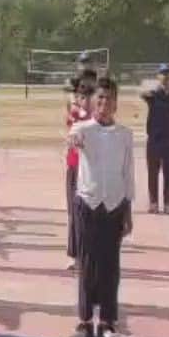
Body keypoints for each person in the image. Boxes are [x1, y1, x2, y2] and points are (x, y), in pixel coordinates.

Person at [66, 78, 133, 337]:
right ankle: (84, 320)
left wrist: (128, 210)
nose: (104, 103)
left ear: (116, 103)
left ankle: (107, 321)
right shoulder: (83, 129)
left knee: (110, 265)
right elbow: (74, 139)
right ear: (93, 102)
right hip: (88, 202)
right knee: (87, 263)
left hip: (114, 204)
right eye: (100, 98)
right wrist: (75, 139)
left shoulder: (124, 134)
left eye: (109, 98)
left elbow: (128, 172)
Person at [140, 64, 169, 214]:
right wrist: (155, 89)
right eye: (162, 74)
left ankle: (168, 203)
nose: (165, 77)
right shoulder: (152, 95)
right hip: (154, 139)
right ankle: (153, 202)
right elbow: (142, 94)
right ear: (158, 77)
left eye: (168, 74)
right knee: (153, 172)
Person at [64, 78, 93, 269]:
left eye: (89, 97)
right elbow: (72, 125)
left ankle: (89, 255)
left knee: (90, 213)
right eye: (82, 97)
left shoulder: (97, 119)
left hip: (91, 171)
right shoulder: (75, 115)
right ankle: (75, 255)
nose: (86, 101)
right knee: (74, 213)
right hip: (75, 167)